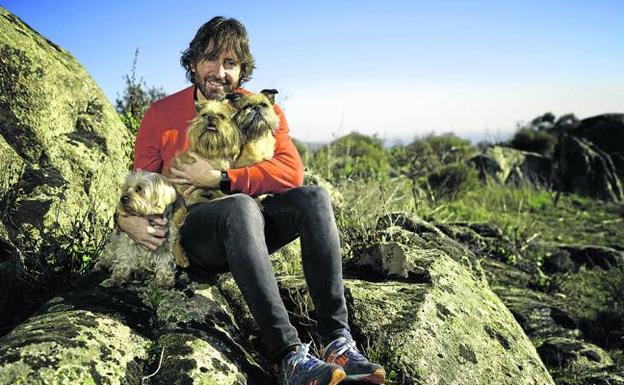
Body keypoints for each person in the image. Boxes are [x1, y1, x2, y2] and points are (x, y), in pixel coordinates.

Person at [117, 16, 385, 385]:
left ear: (242, 70)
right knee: (241, 206)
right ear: (193, 62)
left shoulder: (257, 108)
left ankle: (338, 341)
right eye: (210, 59)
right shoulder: (160, 114)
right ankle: (289, 355)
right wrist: (125, 220)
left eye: (231, 63)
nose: (219, 72)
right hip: (196, 234)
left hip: (251, 233)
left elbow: (291, 172)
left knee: (314, 198)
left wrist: (223, 178)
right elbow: (139, 185)